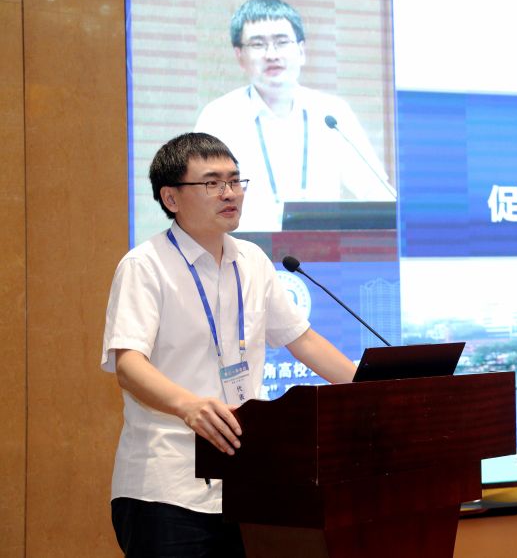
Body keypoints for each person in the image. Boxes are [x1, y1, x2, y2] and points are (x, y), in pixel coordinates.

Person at [101, 132, 358, 556]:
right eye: (212, 183)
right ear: (171, 197)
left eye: (235, 181)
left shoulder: (252, 261)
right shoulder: (144, 266)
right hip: (167, 490)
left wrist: (371, 389)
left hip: (246, 487)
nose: (230, 193)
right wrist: (189, 405)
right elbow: (128, 364)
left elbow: (304, 341)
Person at [194, 0, 395, 232]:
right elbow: (197, 202)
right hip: (241, 251)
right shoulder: (218, 118)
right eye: (258, 44)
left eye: (282, 42)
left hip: (324, 251)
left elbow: (377, 193)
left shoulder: (332, 114)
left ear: (301, 51)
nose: (271, 54)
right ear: (240, 56)